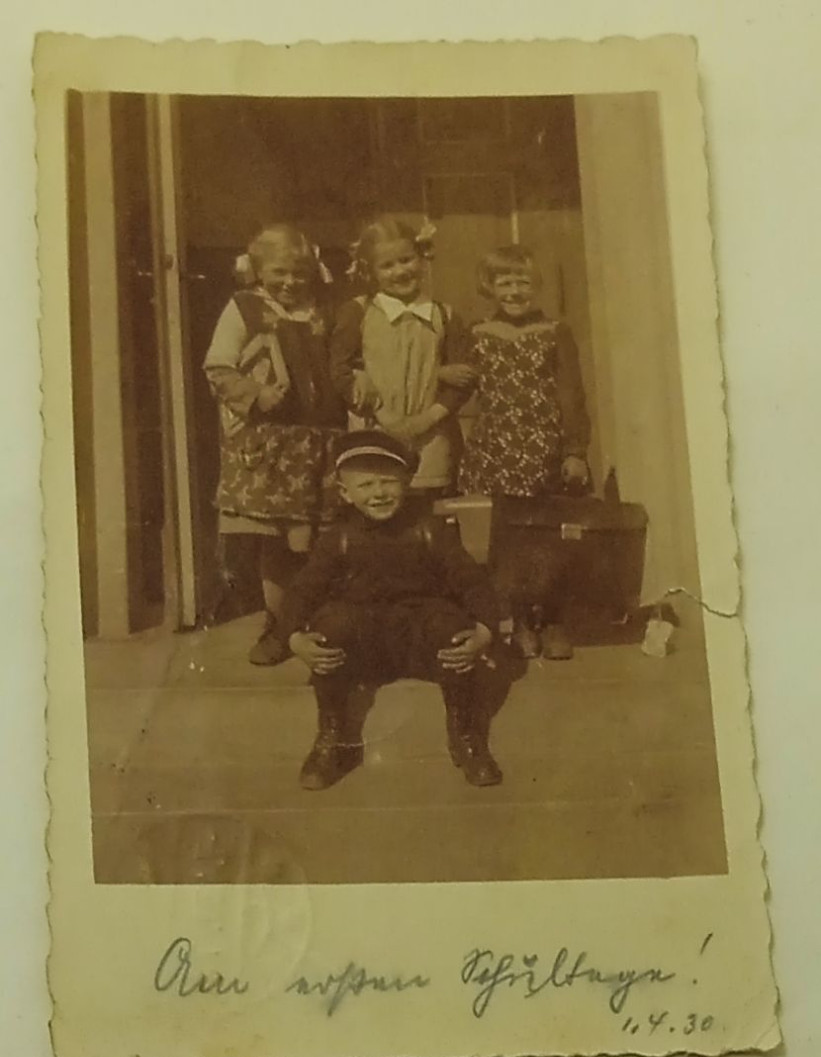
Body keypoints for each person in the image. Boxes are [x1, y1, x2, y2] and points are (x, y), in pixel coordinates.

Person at [279, 431, 504, 791]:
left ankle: (465, 734)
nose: (379, 493)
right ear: (345, 493)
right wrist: (294, 639)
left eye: (388, 482)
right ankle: (332, 735)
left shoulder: (429, 530)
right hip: (362, 648)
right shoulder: (338, 537)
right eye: (366, 485)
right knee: (329, 626)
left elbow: (472, 582)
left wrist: (484, 632)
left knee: (452, 626)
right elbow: (302, 591)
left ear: (407, 482)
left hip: (418, 641)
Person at [203, 224, 346, 664]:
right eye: (279, 272)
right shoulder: (244, 308)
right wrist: (256, 393)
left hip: (321, 440)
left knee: (317, 539)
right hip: (272, 445)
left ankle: (318, 621)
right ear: (258, 270)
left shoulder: (325, 310)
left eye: (299, 273)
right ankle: (280, 624)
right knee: (278, 542)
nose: (290, 282)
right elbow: (218, 368)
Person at [458, 245, 591, 660]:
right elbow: (458, 379)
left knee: (548, 538)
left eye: (523, 282)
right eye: (505, 281)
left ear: (535, 287)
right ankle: (516, 623)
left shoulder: (554, 331)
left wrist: (575, 450)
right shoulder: (477, 332)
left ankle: (550, 621)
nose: (514, 290)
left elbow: (571, 394)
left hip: (543, 448)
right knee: (506, 540)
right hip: (495, 448)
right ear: (490, 287)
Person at [329, 216, 474, 503]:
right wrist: (384, 415)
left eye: (406, 260)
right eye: (387, 265)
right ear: (371, 272)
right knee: (379, 502)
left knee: (427, 511)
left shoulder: (444, 315)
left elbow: (463, 378)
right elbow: (339, 369)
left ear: (422, 258)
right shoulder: (357, 312)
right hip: (375, 430)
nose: (400, 271)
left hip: (432, 436)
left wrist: (428, 418)